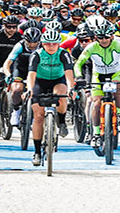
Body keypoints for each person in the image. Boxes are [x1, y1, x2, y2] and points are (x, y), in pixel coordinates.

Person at [74, 18, 120, 150]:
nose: (104, 40)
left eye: (106, 37)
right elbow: (78, 64)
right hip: (98, 75)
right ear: (96, 37)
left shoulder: (119, 45)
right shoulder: (91, 47)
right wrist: (79, 77)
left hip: (116, 73)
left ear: (111, 36)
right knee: (96, 103)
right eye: (100, 37)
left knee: (116, 90)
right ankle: (96, 134)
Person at [26, 29, 75, 166]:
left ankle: (62, 121)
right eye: (48, 44)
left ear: (59, 44)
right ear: (42, 44)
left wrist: (71, 88)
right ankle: (36, 152)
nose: (51, 46)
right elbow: (31, 74)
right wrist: (30, 89)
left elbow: (69, 73)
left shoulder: (64, 54)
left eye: (54, 44)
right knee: (38, 116)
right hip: (40, 82)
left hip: (58, 80)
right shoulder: (36, 54)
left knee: (61, 92)